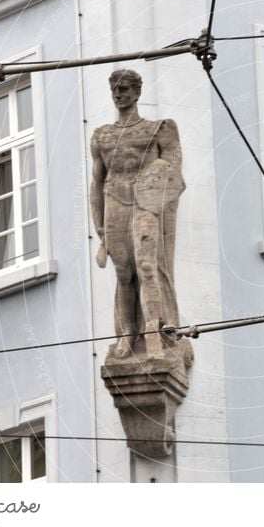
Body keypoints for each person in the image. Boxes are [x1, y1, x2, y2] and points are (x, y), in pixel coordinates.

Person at [90, 69, 189, 363]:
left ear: (137, 92)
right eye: (114, 89)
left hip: (145, 203)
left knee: (147, 266)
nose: (118, 94)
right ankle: (126, 333)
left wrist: (158, 173)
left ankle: (153, 332)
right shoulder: (101, 136)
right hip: (114, 204)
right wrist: (99, 227)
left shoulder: (158, 128)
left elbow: (173, 169)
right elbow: (97, 183)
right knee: (124, 274)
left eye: (124, 88)